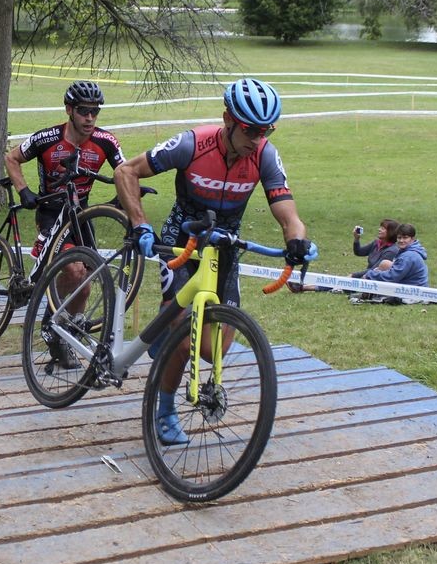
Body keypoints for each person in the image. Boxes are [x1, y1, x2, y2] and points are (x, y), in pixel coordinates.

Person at [115, 77, 313, 445]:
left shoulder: (265, 155)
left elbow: (288, 211)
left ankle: (165, 343)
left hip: (224, 248)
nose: (258, 138)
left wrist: (298, 240)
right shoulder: (192, 144)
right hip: (182, 243)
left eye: (267, 129)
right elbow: (126, 171)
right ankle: (164, 409)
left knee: (213, 349)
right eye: (251, 129)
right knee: (181, 331)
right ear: (228, 119)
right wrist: (141, 225)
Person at [5, 80, 125, 258]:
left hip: (81, 213)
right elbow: (11, 158)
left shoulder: (106, 141)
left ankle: (50, 286)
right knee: (74, 269)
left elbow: (125, 172)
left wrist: (125, 194)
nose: (90, 118)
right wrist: (23, 191)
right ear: (69, 109)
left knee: (87, 277)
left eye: (95, 111)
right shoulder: (46, 139)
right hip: (51, 213)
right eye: (83, 111)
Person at [353, 223, 428, 304]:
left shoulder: (408, 256)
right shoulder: (410, 250)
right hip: (413, 286)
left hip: (412, 291)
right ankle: (368, 293)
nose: (401, 240)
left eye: (405, 238)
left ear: (412, 239)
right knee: (384, 264)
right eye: (399, 238)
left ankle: (369, 294)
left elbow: (392, 277)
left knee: (378, 272)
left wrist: (370, 275)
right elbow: (359, 252)